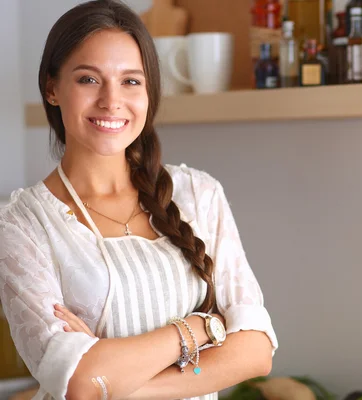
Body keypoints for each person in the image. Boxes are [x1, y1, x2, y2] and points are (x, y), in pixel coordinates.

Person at [0, 1, 278, 399]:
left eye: (131, 81)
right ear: (52, 88)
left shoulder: (199, 194)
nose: (112, 101)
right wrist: (203, 327)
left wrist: (118, 381)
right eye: (88, 80)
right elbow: (80, 384)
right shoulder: (22, 226)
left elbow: (255, 350)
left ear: (149, 92)